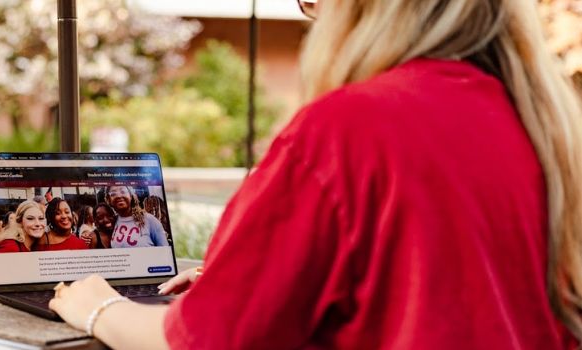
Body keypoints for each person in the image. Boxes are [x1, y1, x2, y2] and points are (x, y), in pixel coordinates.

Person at [48, 0, 582, 348]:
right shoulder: (541, 122)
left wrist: (101, 308)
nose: (312, 13)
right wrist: (239, 284)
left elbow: (203, 341)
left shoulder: (349, 128)